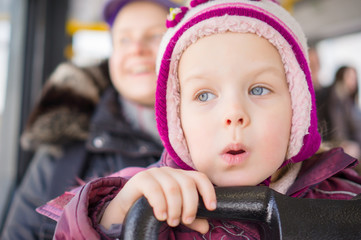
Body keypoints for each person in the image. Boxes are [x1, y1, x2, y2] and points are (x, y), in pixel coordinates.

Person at [37, 0, 361, 239]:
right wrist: (113, 220)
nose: (234, 114)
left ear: (297, 108)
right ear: (177, 121)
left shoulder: (345, 192)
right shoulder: (149, 198)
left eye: (259, 89)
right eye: (204, 95)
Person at [0, 0, 181, 239]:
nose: (136, 49)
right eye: (124, 40)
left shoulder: (225, 141)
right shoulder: (64, 150)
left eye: (155, 36)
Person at [317, 65, 361, 161]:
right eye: (350, 77)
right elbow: (336, 125)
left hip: (347, 142)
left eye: (354, 78)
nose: (353, 81)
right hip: (333, 142)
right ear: (341, 76)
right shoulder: (334, 95)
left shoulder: (349, 101)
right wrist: (340, 142)